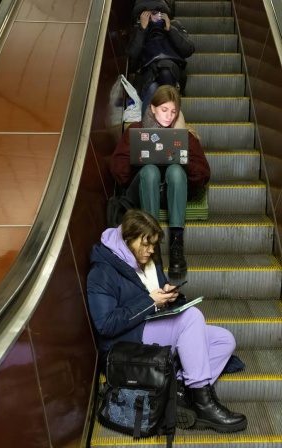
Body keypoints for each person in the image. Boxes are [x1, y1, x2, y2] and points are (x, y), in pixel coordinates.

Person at [87, 208, 248, 433]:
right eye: (146, 244)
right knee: (192, 318)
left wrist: (169, 295)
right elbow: (105, 325)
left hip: (151, 326)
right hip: (125, 343)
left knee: (224, 339)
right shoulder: (102, 271)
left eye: (154, 244)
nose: (152, 250)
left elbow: (157, 299)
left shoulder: (149, 261)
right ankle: (203, 403)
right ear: (127, 240)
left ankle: (181, 390)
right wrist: (150, 301)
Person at [110, 84, 210, 274]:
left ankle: (176, 244)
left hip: (172, 193)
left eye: (173, 112)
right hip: (143, 188)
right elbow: (119, 172)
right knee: (150, 171)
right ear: (153, 108)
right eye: (164, 110)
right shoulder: (136, 130)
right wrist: (138, 159)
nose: (169, 116)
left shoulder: (184, 137)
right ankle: (151, 243)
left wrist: (181, 159)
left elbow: (203, 175)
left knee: (175, 171)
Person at [127, 0, 195, 116]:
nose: (155, 17)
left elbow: (188, 50)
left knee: (165, 70)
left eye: (157, 13)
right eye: (149, 14)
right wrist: (142, 30)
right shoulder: (138, 29)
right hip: (148, 75)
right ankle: (150, 128)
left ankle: (169, 120)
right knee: (152, 88)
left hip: (171, 71)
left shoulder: (174, 25)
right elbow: (132, 58)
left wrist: (170, 30)